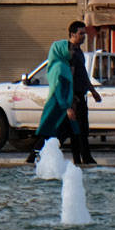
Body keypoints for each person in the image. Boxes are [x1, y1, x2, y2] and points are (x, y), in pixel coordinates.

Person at [26, 27, 81, 165]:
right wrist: (66, 108)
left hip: (63, 106)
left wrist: (71, 99)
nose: (70, 52)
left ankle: (78, 162)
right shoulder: (58, 67)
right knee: (49, 136)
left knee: (72, 133)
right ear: (61, 51)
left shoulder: (64, 65)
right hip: (57, 108)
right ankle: (32, 159)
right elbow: (57, 89)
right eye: (68, 49)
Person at [67, 23, 102, 167]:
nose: (83, 36)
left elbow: (83, 75)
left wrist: (93, 91)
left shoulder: (79, 52)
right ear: (72, 34)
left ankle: (83, 158)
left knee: (82, 129)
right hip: (74, 96)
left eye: (84, 33)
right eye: (81, 33)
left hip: (82, 95)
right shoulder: (70, 53)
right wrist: (70, 102)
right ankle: (82, 158)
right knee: (78, 129)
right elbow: (70, 77)